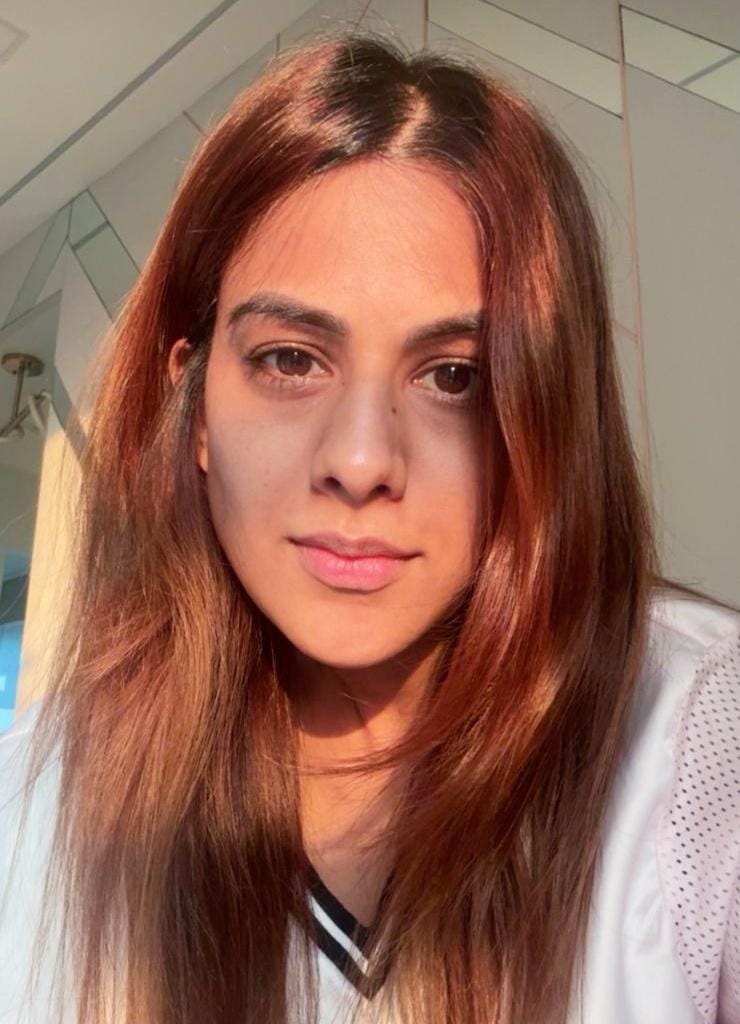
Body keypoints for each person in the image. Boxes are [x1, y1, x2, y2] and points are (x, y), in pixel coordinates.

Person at [0, 28, 738, 1024]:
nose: (359, 461)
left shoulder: (695, 736)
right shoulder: (31, 808)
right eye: (289, 360)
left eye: (455, 377)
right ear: (194, 407)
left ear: (546, 415)